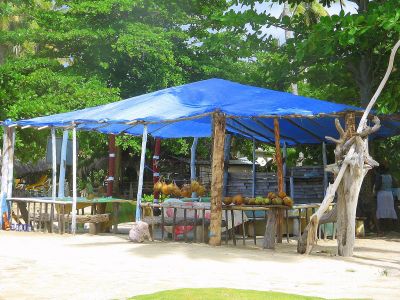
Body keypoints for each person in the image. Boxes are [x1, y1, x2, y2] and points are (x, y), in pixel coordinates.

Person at [375, 164, 398, 235]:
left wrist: (375, 190)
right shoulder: (391, 177)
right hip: (389, 194)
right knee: (390, 210)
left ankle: (382, 228)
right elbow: (395, 185)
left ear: (381, 170)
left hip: (382, 194)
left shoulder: (380, 177)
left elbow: (377, 187)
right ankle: (391, 228)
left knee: (381, 210)